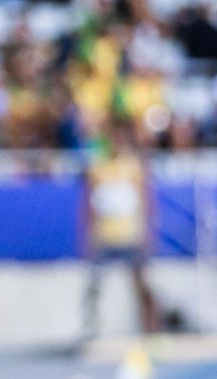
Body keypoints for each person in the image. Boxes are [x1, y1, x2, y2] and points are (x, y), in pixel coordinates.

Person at [81, 118, 160, 340]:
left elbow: (147, 201)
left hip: (130, 235)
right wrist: (86, 235)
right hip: (104, 236)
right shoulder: (98, 166)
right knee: (94, 287)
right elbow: (88, 203)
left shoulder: (134, 166)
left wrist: (148, 233)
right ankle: (91, 332)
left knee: (143, 286)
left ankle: (152, 332)